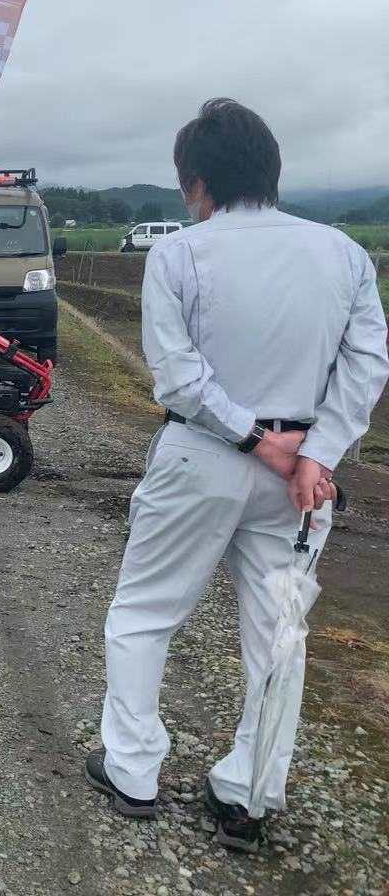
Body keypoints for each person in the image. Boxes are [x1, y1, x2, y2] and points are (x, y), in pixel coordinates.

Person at [88, 99, 388, 852]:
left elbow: (179, 377)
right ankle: (250, 795)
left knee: (145, 613)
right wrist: (315, 452)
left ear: (195, 182)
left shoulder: (180, 254)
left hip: (202, 459)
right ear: (272, 171)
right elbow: (366, 364)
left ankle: (132, 770)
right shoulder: (343, 254)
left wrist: (256, 437)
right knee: (280, 635)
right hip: (299, 481)